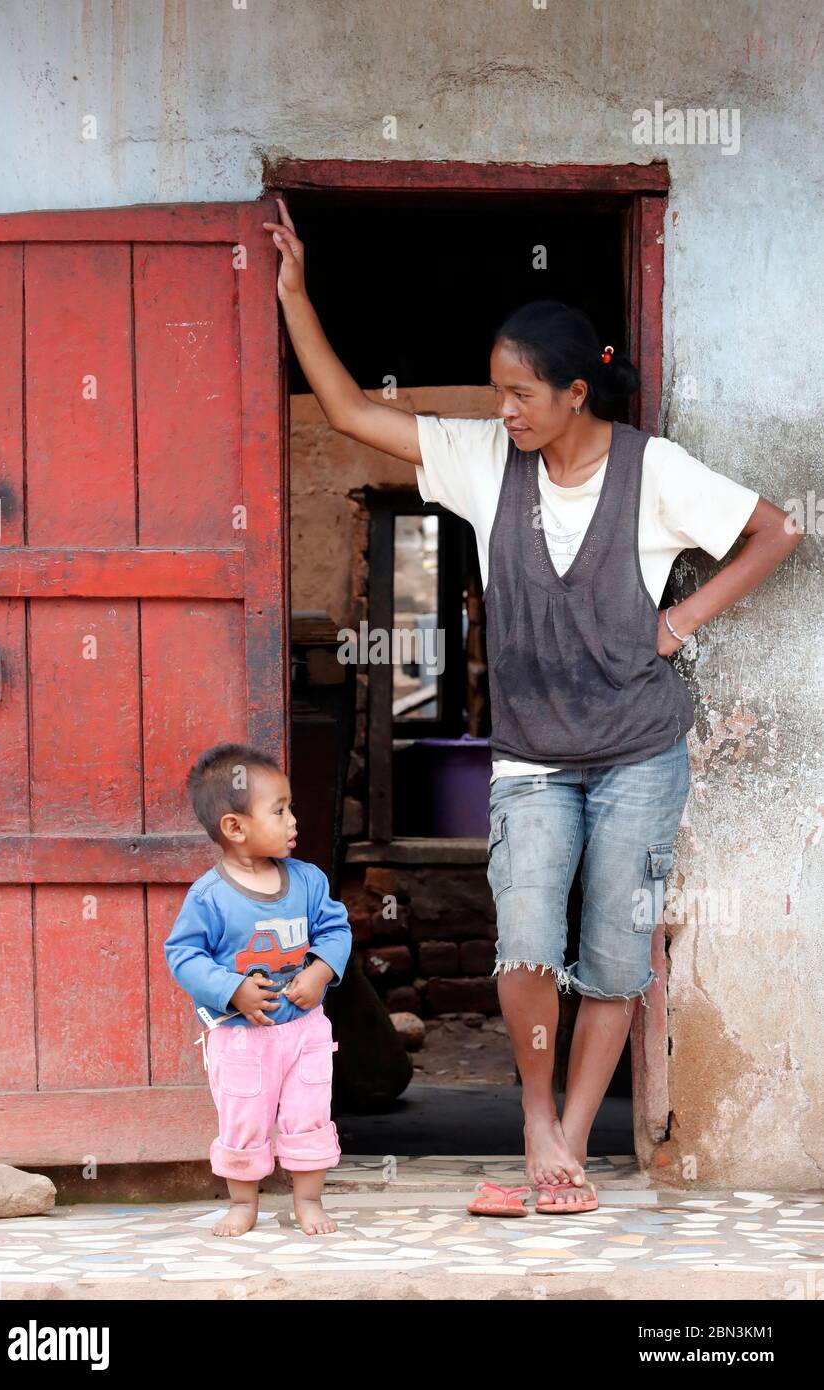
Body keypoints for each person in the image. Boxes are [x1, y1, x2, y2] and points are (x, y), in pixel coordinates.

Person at [262, 196, 803, 1214]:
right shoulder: (479, 462)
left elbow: (774, 531)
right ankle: (538, 1121)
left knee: (609, 954)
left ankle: (566, 1152)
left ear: (570, 392)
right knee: (523, 943)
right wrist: (295, 292)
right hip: (532, 757)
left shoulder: (651, 472)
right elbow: (343, 409)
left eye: (517, 394)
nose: (501, 409)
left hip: (639, 751)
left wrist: (677, 619)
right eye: (496, 391)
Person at [164, 742, 351, 1236]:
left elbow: (337, 931)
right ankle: (243, 1203)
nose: (293, 820)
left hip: (306, 1030)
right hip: (242, 1035)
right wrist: (232, 990)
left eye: (289, 808)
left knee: (309, 1112)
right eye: (280, 810)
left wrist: (320, 971)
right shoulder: (210, 896)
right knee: (244, 1117)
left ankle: (307, 1200)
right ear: (235, 827)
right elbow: (183, 956)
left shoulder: (307, 882)